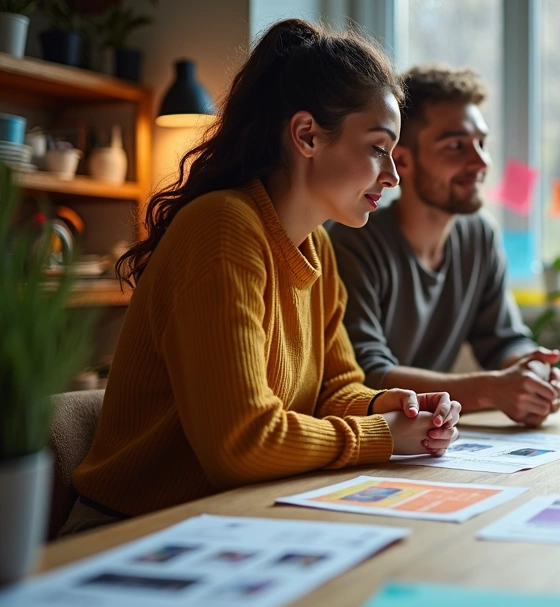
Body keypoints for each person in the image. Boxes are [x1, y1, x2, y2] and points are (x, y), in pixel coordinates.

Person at [67, 20, 461, 535]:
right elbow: (242, 445)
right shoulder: (223, 229)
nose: (392, 175)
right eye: (377, 147)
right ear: (306, 136)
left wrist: (387, 406)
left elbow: (333, 390)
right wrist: (382, 435)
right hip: (132, 532)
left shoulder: (315, 243)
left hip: (230, 520)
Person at [329, 65, 560, 427]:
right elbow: (366, 374)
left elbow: (502, 341)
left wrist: (531, 369)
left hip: (430, 436)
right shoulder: (352, 241)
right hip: (372, 438)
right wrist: (491, 390)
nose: (481, 162)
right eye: (456, 146)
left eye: (482, 144)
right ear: (403, 160)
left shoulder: (479, 236)